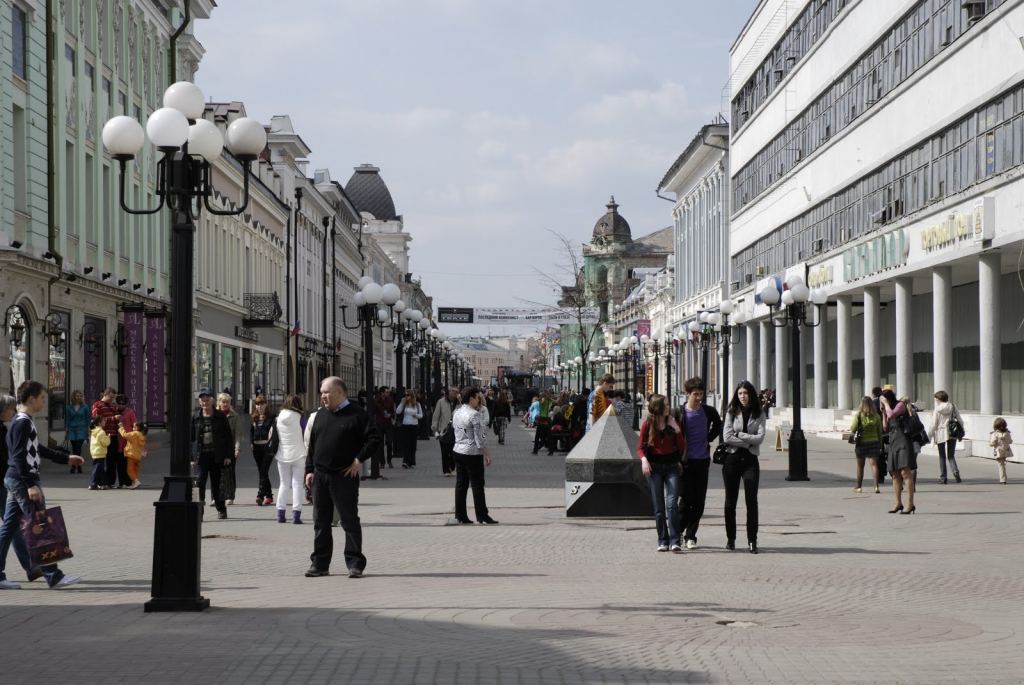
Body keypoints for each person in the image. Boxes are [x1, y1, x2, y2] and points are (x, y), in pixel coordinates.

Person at [0, 380, 84, 589]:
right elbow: (19, 456)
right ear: (31, 399)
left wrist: (66, 458)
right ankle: (53, 575)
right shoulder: (22, 422)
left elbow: (38, 449)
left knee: (10, 528)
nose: (44, 402)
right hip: (22, 480)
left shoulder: (22, 421)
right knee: (40, 525)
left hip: (15, 479)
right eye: (42, 398)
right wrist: (30, 484)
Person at [304, 377, 381, 578]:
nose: (322, 396)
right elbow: (313, 445)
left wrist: (358, 460)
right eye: (321, 392)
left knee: (348, 520)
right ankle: (320, 563)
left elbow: (374, 439)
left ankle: (355, 563)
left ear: (340, 393)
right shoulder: (320, 415)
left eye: (326, 392)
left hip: (343, 475)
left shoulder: (357, 415)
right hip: (321, 475)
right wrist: (310, 470)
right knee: (320, 521)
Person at [677, 378, 722, 549]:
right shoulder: (680, 412)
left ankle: (691, 536)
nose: (699, 397)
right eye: (695, 394)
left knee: (699, 500)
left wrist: (708, 439)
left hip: (702, 460)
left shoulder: (708, 411)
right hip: (685, 462)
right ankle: (679, 532)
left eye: (701, 394)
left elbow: (718, 424)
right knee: (685, 499)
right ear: (687, 393)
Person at [721, 380, 766, 554]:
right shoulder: (732, 411)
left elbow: (760, 438)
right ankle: (731, 539)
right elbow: (727, 437)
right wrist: (748, 442)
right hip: (732, 460)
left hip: (750, 462)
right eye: (740, 393)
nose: (743, 397)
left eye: (745, 393)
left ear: (751, 394)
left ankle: (752, 540)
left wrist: (740, 435)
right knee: (730, 502)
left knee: (751, 501)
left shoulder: (759, 412)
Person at [638, 394, 685, 553]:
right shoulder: (647, 425)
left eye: (668, 404)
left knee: (671, 505)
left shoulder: (673, 423)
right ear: (657, 407)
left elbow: (681, 447)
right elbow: (640, 447)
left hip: (672, 466)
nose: (668, 407)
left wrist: (677, 430)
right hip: (654, 468)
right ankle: (662, 540)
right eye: (665, 404)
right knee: (659, 507)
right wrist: (644, 459)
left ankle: (675, 540)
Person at [0, 394, 37, 589]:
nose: (13, 412)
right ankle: (33, 567)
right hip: (6, 482)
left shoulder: (4, 428)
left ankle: (32, 567)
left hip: (6, 482)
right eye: (10, 409)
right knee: (11, 527)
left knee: (12, 526)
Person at [452, 386, 497, 525]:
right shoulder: (474, 414)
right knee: (477, 485)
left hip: (458, 450)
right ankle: (482, 515)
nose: (479, 400)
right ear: (471, 398)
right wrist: (487, 453)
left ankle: (460, 515)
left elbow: (455, 429)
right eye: (478, 397)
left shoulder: (457, 412)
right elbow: (480, 438)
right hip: (472, 453)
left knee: (461, 484)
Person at [191, 389, 233, 518]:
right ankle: (199, 511)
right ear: (199, 401)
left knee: (217, 485)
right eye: (202, 400)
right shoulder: (196, 417)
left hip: (217, 456)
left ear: (212, 400)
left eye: (207, 400)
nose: (205, 402)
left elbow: (228, 437)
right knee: (200, 484)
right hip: (201, 456)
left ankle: (221, 509)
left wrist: (227, 456)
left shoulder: (220, 416)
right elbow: (191, 438)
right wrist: (192, 458)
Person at [880, 389, 916, 515]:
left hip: (903, 440)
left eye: (883, 400)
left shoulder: (900, 405)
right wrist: (883, 412)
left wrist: (886, 406)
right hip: (893, 441)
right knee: (894, 474)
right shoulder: (887, 408)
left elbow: (892, 415)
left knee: (905, 473)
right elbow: (885, 427)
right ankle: (898, 503)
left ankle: (910, 504)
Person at [274, 395, 307, 524]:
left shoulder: (279, 417)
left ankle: (280, 514)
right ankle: (296, 515)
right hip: (299, 454)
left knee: (283, 484)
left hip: (282, 455)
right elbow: (306, 433)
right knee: (297, 484)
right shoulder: (300, 418)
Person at [848, 396, 883, 493]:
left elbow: (853, 428)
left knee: (860, 466)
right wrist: (880, 444)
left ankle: (859, 487)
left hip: (862, 443)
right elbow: (880, 432)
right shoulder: (876, 416)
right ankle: (876, 486)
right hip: (874, 442)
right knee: (874, 465)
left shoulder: (859, 415)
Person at [90, 387, 122, 488]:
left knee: (112, 461)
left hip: (113, 435)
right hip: (103, 436)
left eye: (113, 398)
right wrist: (113, 418)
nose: (112, 399)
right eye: (111, 397)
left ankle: (110, 482)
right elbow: (96, 419)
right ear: (105, 394)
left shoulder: (112, 406)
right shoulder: (97, 405)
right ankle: (100, 482)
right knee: (101, 461)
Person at [930, 390, 962, 484]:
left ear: (939, 399)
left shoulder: (937, 409)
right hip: (952, 432)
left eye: (936, 399)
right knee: (951, 455)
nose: (935, 400)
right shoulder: (953, 406)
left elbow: (934, 424)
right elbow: (959, 419)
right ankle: (955, 471)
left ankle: (943, 477)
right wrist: (961, 430)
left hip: (940, 433)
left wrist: (929, 435)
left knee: (942, 456)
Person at [250, 397, 275, 506]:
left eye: (262, 404)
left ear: (266, 405)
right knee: (262, 472)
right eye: (257, 404)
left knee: (264, 471)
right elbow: (251, 431)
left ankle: (260, 495)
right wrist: (251, 442)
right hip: (256, 448)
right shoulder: (254, 418)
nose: (259, 406)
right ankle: (269, 495)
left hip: (267, 447)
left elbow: (273, 433)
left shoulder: (271, 417)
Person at [217, 392, 241, 504]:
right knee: (217, 473)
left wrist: (237, 449)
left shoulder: (234, 416)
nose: (225, 404)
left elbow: (238, 435)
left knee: (230, 472)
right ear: (219, 402)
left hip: (230, 449)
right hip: (217, 449)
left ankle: (230, 496)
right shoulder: (215, 415)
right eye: (223, 402)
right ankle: (216, 496)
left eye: (227, 402)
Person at [432, 387, 459, 476]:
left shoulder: (459, 403)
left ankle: (452, 467)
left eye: (456, 392)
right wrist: (435, 428)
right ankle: (446, 471)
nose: (454, 393)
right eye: (453, 391)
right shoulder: (441, 402)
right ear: (449, 391)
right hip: (443, 431)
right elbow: (436, 416)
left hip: (456, 431)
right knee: (444, 452)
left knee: (454, 452)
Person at [395, 389, 424, 469]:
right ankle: (405, 461)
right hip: (405, 425)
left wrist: (416, 416)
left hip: (414, 425)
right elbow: (397, 412)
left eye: (408, 395)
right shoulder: (404, 404)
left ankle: (411, 462)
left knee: (412, 445)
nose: (406, 397)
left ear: (411, 396)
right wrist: (402, 403)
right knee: (406, 444)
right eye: (405, 395)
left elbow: (421, 415)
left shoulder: (417, 404)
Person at [118, 420, 147, 489]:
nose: (133, 427)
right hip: (138, 456)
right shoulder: (142, 435)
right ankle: (134, 482)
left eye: (134, 426)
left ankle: (136, 481)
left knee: (130, 470)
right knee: (135, 470)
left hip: (131, 454)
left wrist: (121, 427)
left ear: (137, 427)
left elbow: (124, 435)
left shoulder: (134, 434)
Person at [65, 390, 89, 474]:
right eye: (77, 396)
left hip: (82, 429)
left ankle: (76, 466)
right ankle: (76, 465)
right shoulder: (68, 407)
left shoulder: (85, 407)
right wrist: (67, 429)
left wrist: (88, 430)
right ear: (73, 397)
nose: (78, 397)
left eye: (80, 396)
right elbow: (68, 419)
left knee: (78, 448)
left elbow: (87, 419)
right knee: (74, 448)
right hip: (72, 429)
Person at [375, 388, 396, 468]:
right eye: (386, 392)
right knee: (380, 443)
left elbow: (392, 411)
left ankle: (389, 460)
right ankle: (382, 462)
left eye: (388, 392)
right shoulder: (377, 400)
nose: (388, 393)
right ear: (382, 393)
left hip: (388, 424)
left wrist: (390, 415)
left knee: (389, 442)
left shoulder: (390, 400)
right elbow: (374, 409)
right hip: (379, 423)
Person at [87, 417, 109, 491]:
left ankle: (102, 483)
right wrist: (108, 437)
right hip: (100, 452)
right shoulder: (101, 432)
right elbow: (105, 443)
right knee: (97, 469)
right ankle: (93, 484)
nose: (105, 422)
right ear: (99, 423)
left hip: (95, 452)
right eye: (103, 421)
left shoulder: (93, 431)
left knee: (100, 469)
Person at [989, 418, 1013, 485]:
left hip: (998, 451)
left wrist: (991, 443)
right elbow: (1010, 441)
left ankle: (1003, 480)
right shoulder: (1007, 433)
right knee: (1003, 464)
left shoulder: (995, 434)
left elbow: (992, 443)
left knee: (1000, 465)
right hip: (1006, 450)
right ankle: (1004, 478)